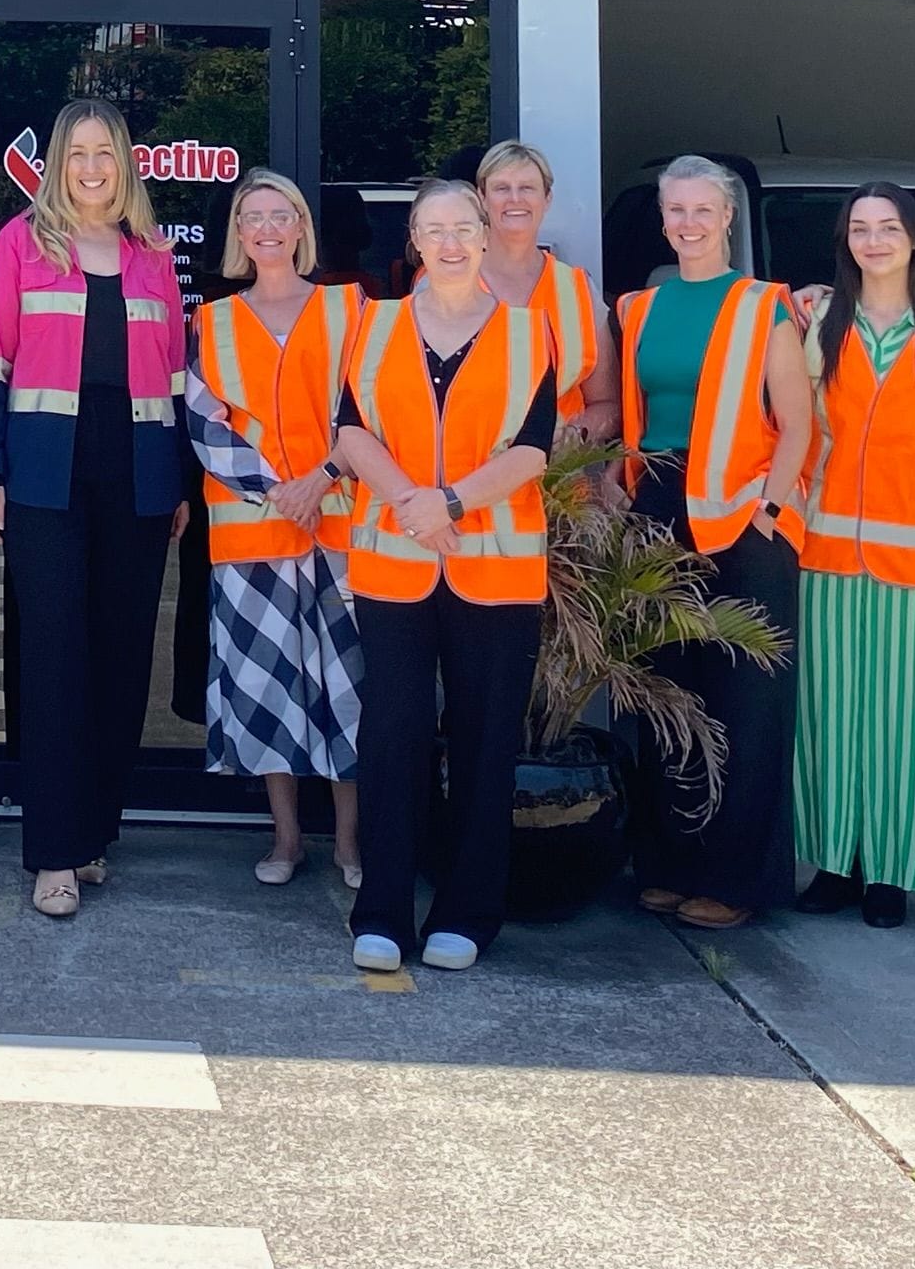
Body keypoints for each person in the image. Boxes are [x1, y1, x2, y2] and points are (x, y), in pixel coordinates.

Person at [0, 95, 189, 925]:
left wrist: (179, 487)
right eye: (78, 153)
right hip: (44, 476)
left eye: (106, 152)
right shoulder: (22, 244)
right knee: (54, 656)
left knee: (122, 657)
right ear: (58, 163)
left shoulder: (153, 257)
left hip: (138, 477)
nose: (92, 168)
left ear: (124, 163)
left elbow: (174, 381)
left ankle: (95, 833)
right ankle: (52, 852)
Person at [328, 176, 557, 974]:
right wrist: (407, 502)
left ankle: (468, 912)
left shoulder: (530, 333)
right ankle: (383, 911)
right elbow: (350, 430)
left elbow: (533, 447)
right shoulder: (374, 324)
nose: (452, 242)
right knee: (391, 738)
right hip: (393, 565)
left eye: (465, 226)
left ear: (486, 235)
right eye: (435, 229)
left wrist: (451, 502)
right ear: (415, 243)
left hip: (493, 574)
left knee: (484, 741)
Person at [611, 153, 814, 930]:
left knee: (745, 701)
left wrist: (768, 508)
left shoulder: (763, 305)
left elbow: (796, 423)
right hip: (658, 506)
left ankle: (734, 880)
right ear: (662, 218)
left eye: (703, 210)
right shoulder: (638, 307)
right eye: (676, 211)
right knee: (667, 690)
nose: (688, 224)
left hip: (743, 516)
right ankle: (667, 863)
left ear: (728, 217)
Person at [785, 185, 915, 931]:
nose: (874, 241)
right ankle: (836, 863)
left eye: (889, 228)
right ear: (846, 242)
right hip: (827, 551)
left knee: (910, 720)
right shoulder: (815, 323)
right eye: (860, 229)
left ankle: (893, 873)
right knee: (831, 716)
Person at [180, 169, 363, 891]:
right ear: (238, 234)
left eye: (278, 214)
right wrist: (280, 491)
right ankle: (286, 838)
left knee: (350, 689)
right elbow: (203, 422)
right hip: (253, 534)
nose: (265, 227)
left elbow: (369, 405)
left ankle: (351, 841)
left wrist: (322, 477)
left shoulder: (352, 310)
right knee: (268, 688)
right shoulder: (212, 321)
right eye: (251, 216)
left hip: (342, 525)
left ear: (299, 227)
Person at [479, 139, 614, 450]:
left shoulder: (579, 290)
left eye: (527, 188)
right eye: (502, 188)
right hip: (469, 484)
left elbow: (607, 404)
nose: (515, 198)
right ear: (482, 197)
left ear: (547, 198)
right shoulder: (447, 286)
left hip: (559, 487)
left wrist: (572, 436)